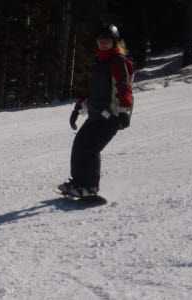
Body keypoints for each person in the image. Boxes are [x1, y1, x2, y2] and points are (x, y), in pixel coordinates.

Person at [58, 23, 134, 197]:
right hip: (96, 114)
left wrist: (124, 112)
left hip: (110, 116)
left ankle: (91, 187)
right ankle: (78, 183)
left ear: (115, 42)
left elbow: (123, 88)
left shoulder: (118, 61)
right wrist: (78, 108)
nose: (103, 45)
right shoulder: (100, 62)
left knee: (91, 148)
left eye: (106, 41)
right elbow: (93, 91)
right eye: (100, 42)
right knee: (79, 145)